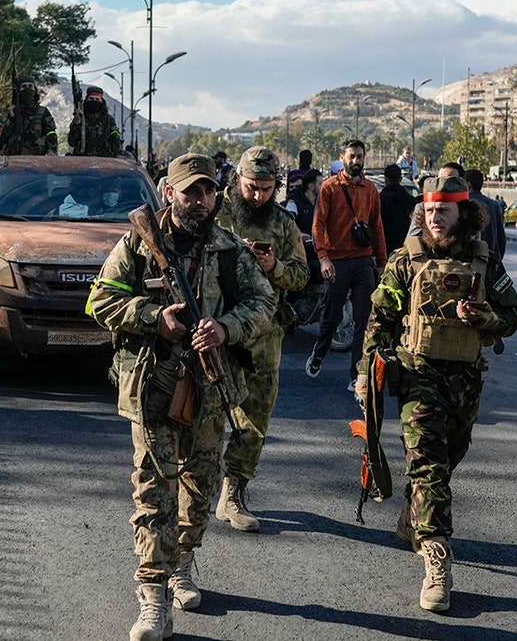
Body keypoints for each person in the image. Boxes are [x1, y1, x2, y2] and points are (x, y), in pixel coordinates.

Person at [87, 152, 274, 640]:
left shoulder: (229, 248)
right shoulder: (139, 243)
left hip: (211, 388)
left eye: (209, 190)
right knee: (153, 488)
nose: (202, 200)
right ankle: (152, 597)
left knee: (200, 484)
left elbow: (264, 303)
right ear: (169, 194)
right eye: (191, 191)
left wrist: (227, 328)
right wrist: (153, 318)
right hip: (154, 384)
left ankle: (181, 562)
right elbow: (99, 298)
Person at [360, 175, 517, 612]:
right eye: (429, 211)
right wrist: (367, 371)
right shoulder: (405, 260)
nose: (434, 218)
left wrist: (486, 317)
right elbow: (380, 320)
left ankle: (415, 518)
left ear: (463, 214)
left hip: (466, 378)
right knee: (428, 463)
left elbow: (511, 317)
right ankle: (437, 561)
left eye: (443, 211)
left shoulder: (484, 261)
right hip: (417, 375)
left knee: (449, 457)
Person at [213, 146, 309, 532]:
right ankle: (194, 487)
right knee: (201, 410)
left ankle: (232, 492)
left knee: (254, 417)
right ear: (237, 179)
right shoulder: (213, 213)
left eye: (267, 189)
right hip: (215, 327)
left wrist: (274, 266)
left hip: (263, 334)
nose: (258, 196)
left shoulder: (283, 224)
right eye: (252, 187)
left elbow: (301, 276)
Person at [306, 139, 386, 392]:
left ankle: (356, 374)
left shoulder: (371, 189)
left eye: (360, 156)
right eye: (351, 156)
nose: (356, 161)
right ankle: (318, 354)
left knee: (364, 320)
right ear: (342, 157)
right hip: (337, 261)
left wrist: (382, 262)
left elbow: (377, 226)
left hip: (363, 260)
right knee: (332, 316)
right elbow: (318, 224)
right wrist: (323, 257)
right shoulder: (329, 188)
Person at [4, 77, 58, 155]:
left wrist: (52, 149)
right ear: (18, 91)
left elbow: (51, 132)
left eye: (30, 86)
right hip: (16, 157)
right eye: (24, 86)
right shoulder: (14, 112)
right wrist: (11, 118)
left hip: (37, 156)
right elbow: (4, 136)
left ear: (35, 90)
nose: (27, 89)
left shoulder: (42, 111)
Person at [463, 169, 507, 260]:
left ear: (468, 185)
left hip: (470, 259)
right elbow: (501, 237)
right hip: (491, 258)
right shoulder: (493, 204)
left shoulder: (464, 204)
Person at [68, 86, 122, 157]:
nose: (94, 101)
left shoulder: (108, 119)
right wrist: (77, 123)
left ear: (102, 101)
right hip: (83, 159)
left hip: (103, 159)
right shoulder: (81, 118)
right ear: (86, 99)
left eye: (97, 99)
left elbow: (116, 141)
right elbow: (71, 142)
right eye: (91, 98)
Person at [379, 163, 419, 255]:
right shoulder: (411, 201)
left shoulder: (378, 201)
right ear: (400, 179)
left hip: (385, 248)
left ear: (386, 179)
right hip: (406, 248)